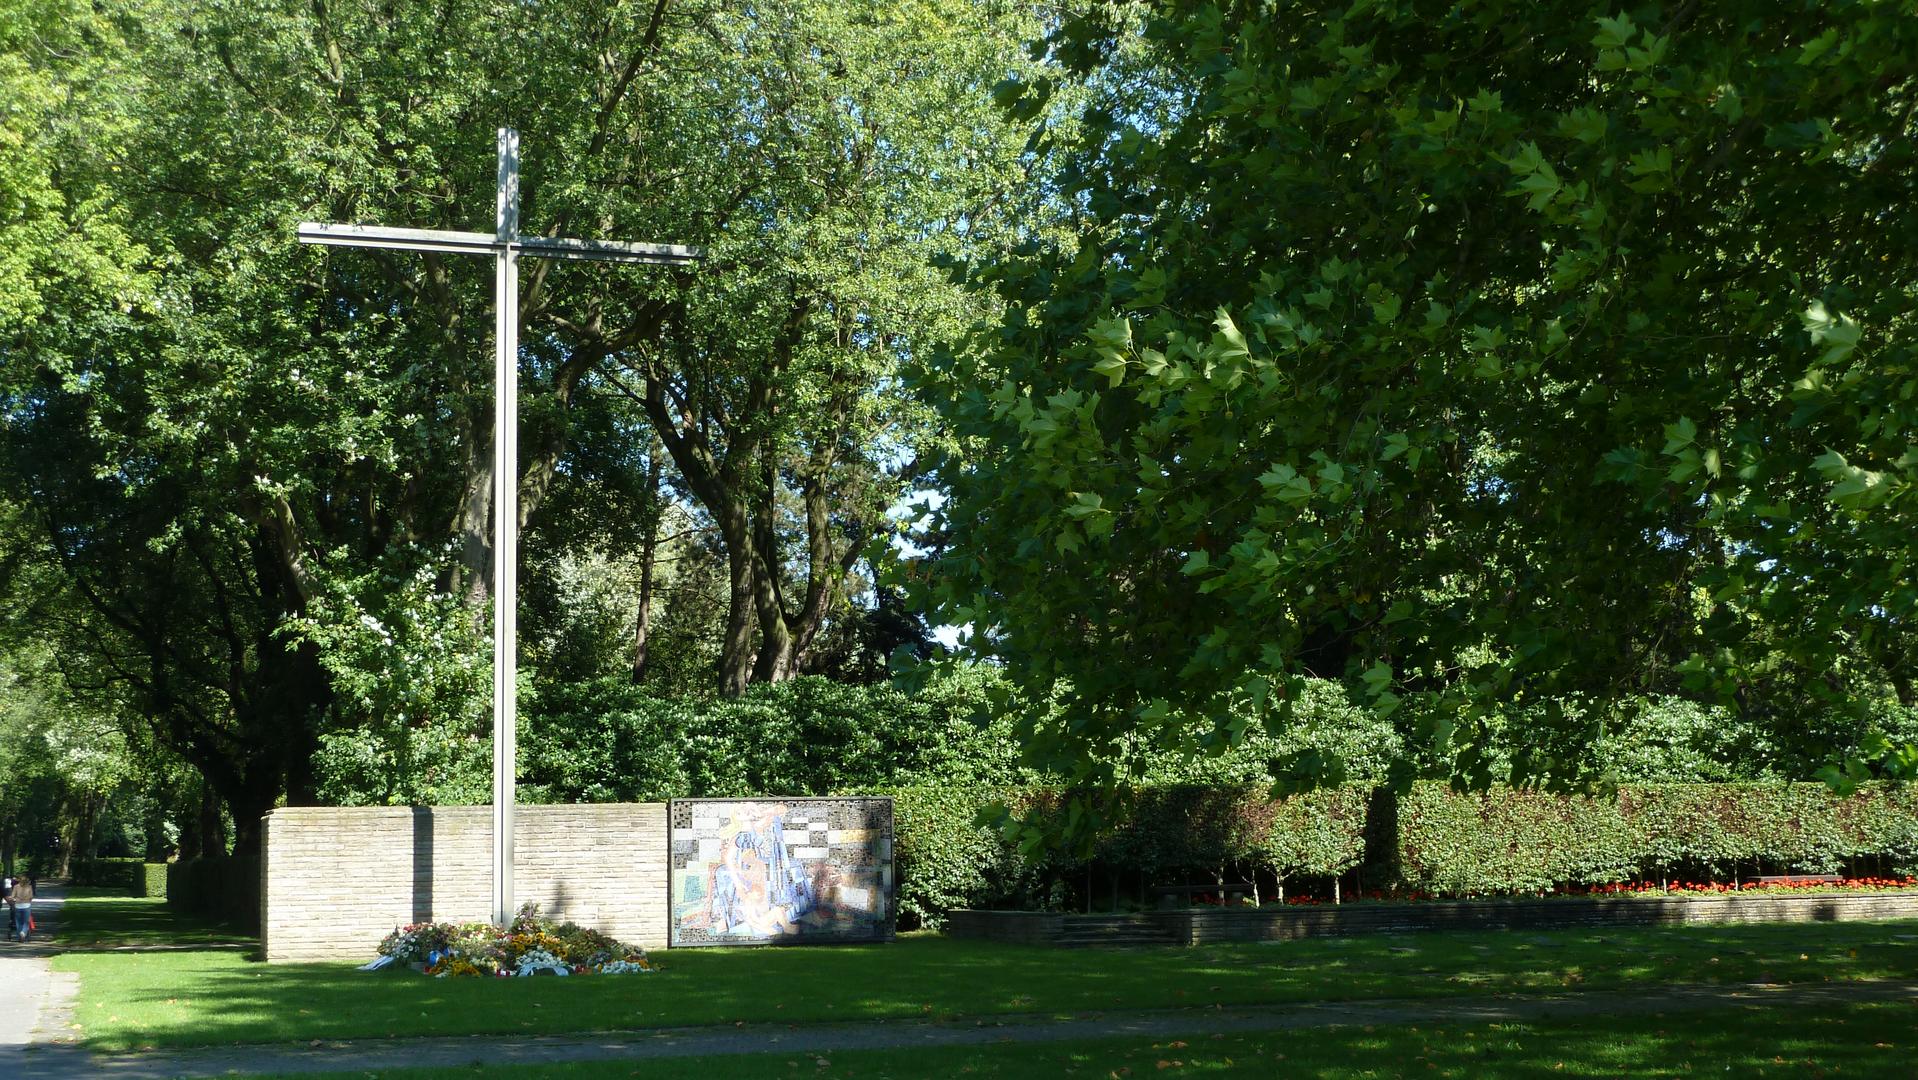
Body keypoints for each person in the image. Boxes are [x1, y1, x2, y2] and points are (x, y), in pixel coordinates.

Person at [8, 875, 31, 943]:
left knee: (18, 922)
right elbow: (31, 897)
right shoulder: (29, 887)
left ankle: (19, 936)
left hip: (17, 906)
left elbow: (12, 897)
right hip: (26, 905)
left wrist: (12, 899)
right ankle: (23, 932)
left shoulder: (16, 887)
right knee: (26, 921)